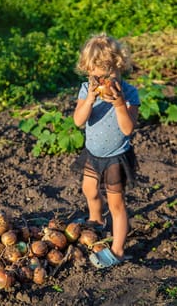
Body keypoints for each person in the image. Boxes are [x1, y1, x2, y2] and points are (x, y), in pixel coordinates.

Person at [71, 32, 140, 269]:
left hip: (115, 157)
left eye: (105, 76)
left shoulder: (129, 94)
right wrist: (90, 99)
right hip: (93, 153)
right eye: (94, 77)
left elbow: (128, 128)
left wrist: (119, 104)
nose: (100, 83)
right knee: (88, 189)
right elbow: (78, 121)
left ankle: (118, 250)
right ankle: (96, 219)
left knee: (116, 203)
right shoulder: (86, 90)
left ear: (118, 69)